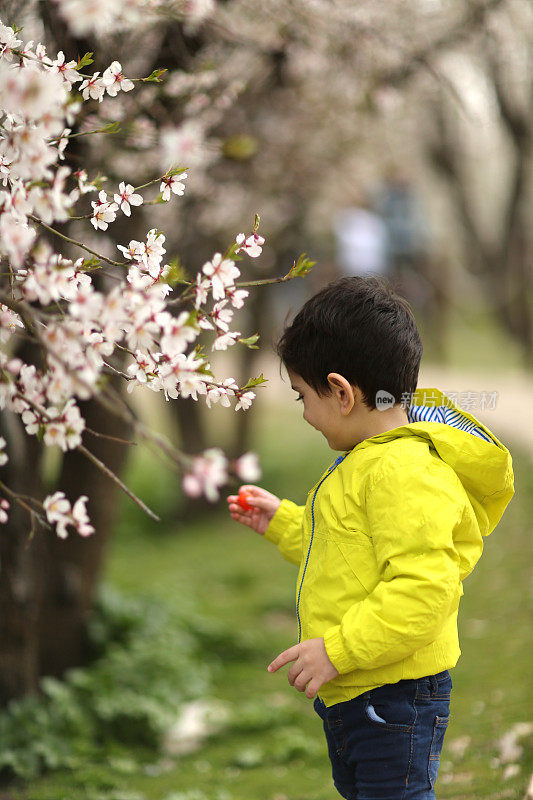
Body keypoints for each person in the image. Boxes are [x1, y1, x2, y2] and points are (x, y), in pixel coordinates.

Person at [226, 276, 515, 800]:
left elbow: (424, 589)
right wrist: (288, 524)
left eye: (301, 396)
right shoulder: (368, 463)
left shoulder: (401, 472)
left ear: (340, 391)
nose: (305, 413)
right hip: (364, 687)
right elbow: (347, 553)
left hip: (395, 691)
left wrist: (337, 650)